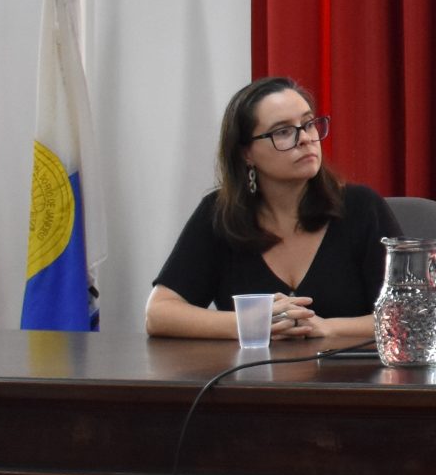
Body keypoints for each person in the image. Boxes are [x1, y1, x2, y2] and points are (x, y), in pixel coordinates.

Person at [146, 76, 400, 341]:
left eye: (308, 124)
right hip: (252, 379)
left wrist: (330, 328)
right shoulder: (220, 214)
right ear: (247, 153)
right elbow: (159, 313)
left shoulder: (361, 208)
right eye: (283, 131)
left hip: (349, 380)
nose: (305, 139)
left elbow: (409, 317)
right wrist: (250, 322)